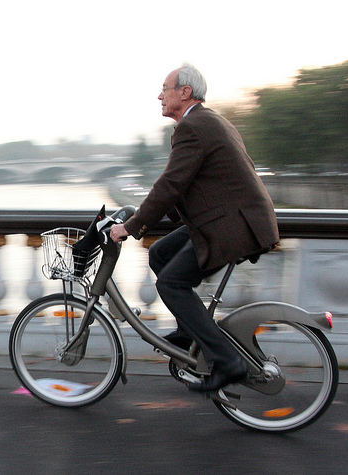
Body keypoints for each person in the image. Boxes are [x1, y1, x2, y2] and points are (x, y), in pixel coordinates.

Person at [110, 63, 279, 393]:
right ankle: (190, 332)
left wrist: (130, 226)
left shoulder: (194, 127)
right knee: (161, 253)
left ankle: (227, 361)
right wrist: (148, 216)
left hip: (233, 226)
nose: (160, 95)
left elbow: (170, 185)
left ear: (184, 93)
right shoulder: (209, 121)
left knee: (171, 285)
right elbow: (186, 185)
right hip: (230, 219)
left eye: (166, 89)